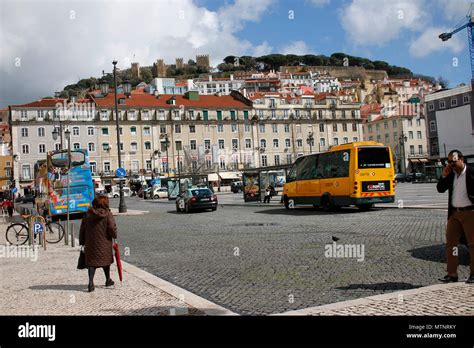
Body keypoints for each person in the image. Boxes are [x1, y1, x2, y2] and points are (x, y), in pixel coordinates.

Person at [436, 150, 474, 284]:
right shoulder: (451, 174)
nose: (452, 164)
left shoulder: (471, 172)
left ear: (462, 159)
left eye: (454, 161)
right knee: (452, 244)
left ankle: (473, 274)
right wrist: (444, 176)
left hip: (470, 213)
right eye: (449, 162)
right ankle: (452, 274)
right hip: (454, 214)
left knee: (472, 244)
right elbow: (440, 189)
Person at [79, 195, 118, 292]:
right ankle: (108, 280)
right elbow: (112, 228)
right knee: (106, 262)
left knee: (92, 264)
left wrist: (82, 241)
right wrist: (114, 235)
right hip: (104, 243)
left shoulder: (88, 214)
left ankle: (91, 283)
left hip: (91, 243)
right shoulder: (108, 214)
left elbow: (82, 229)